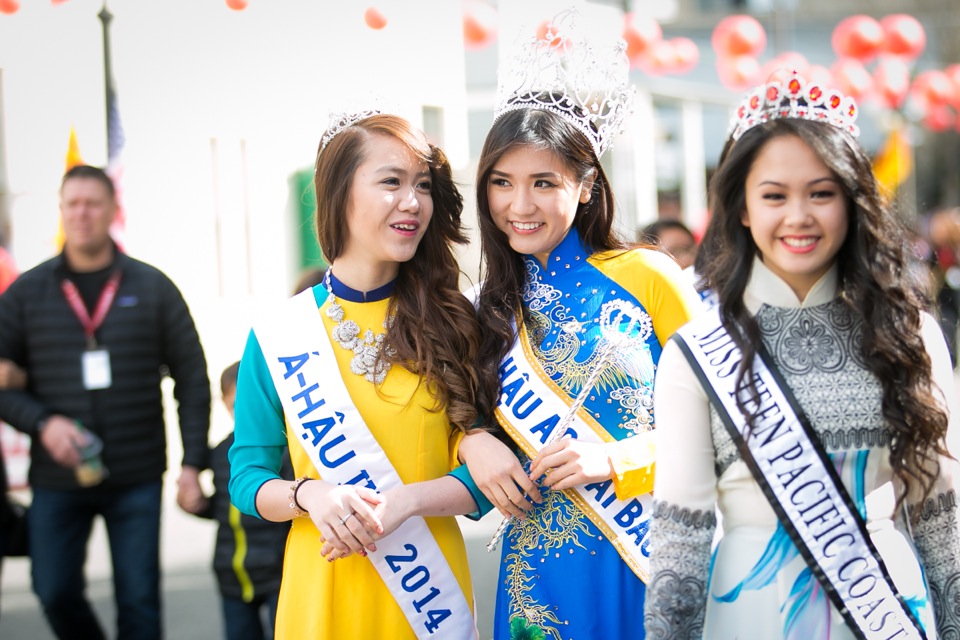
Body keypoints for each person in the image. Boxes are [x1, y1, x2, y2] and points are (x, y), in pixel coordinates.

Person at [644, 74, 960, 639]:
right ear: (741, 207)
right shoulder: (695, 354)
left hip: (887, 606)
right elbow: (681, 541)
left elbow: (943, 517)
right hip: (750, 612)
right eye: (774, 195)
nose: (798, 216)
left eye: (821, 192)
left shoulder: (911, 335)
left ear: (852, 200)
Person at [453, 9, 703, 639]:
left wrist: (615, 460)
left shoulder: (648, 276)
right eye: (502, 183)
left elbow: (724, 415)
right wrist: (469, 440)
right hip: (538, 571)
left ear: (586, 184)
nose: (520, 205)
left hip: (646, 551)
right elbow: (463, 423)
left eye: (544, 182)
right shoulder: (487, 308)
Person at [228, 111, 486, 639]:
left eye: (422, 185)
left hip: (427, 603)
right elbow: (245, 478)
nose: (412, 201)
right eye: (391, 181)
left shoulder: (454, 322)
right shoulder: (281, 333)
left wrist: (409, 501)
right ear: (340, 194)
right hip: (321, 594)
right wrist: (311, 497)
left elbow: (489, 478)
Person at [0, 164, 211, 640]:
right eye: (71, 204)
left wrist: (192, 463)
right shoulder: (27, 293)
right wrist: (42, 423)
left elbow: (192, 380)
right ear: (61, 211)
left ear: (113, 210)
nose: (82, 214)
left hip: (135, 478)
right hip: (57, 477)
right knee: (53, 590)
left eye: (92, 203)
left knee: (139, 603)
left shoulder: (152, 287)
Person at [194, 361, 290, 640]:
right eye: (235, 404)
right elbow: (223, 507)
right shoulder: (221, 452)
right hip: (231, 575)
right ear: (223, 403)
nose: (244, 412)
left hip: (277, 573)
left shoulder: (283, 452)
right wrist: (197, 505)